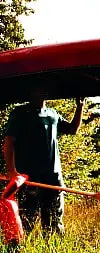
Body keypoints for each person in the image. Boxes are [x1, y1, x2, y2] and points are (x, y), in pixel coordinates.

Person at [2, 88, 85, 235]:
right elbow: (9, 141)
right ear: (31, 91)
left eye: (46, 89)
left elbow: (72, 129)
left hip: (53, 177)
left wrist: (80, 107)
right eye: (39, 89)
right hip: (29, 178)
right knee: (27, 220)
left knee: (54, 221)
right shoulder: (20, 113)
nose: (44, 92)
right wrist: (11, 171)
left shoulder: (53, 114)